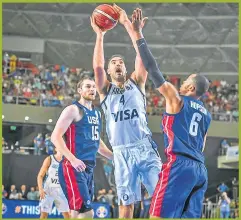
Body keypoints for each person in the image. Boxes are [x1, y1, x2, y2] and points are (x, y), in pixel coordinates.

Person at [131, 8, 212, 218]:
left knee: (157, 215)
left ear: (191, 88)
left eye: (186, 80)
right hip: (200, 171)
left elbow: (152, 67)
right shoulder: (206, 114)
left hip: (180, 165)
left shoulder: (176, 99)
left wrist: (138, 34)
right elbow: (201, 145)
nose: (183, 81)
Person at [90, 4, 162, 218]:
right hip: (121, 152)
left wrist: (130, 26)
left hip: (145, 148)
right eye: (114, 62)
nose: (118, 63)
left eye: (121, 61)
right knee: (125, 207)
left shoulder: (137, 82)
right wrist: (100, 35)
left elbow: (143, 56)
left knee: (160, 198)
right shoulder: (104, 91)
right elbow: (97, 68)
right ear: (109, 70)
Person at [51, 76, 113, 219]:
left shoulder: (97, 113)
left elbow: (98, 144)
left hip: (88, 168)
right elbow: (55, 136)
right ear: (79, 90)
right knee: (87, 212)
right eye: (87, 86)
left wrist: (117, 158)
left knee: (76, 213)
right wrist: (72, 160)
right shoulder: (73, 110)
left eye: (93, 87)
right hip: (73, 167)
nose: (92, 89)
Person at [37, 150, 70, 219]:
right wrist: (40, 189)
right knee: (43, 215)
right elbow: (40, 176)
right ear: (56, 148)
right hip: (48, 190)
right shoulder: (50, 159)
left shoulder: (67, 160)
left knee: (67, 215)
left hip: (61, 190)